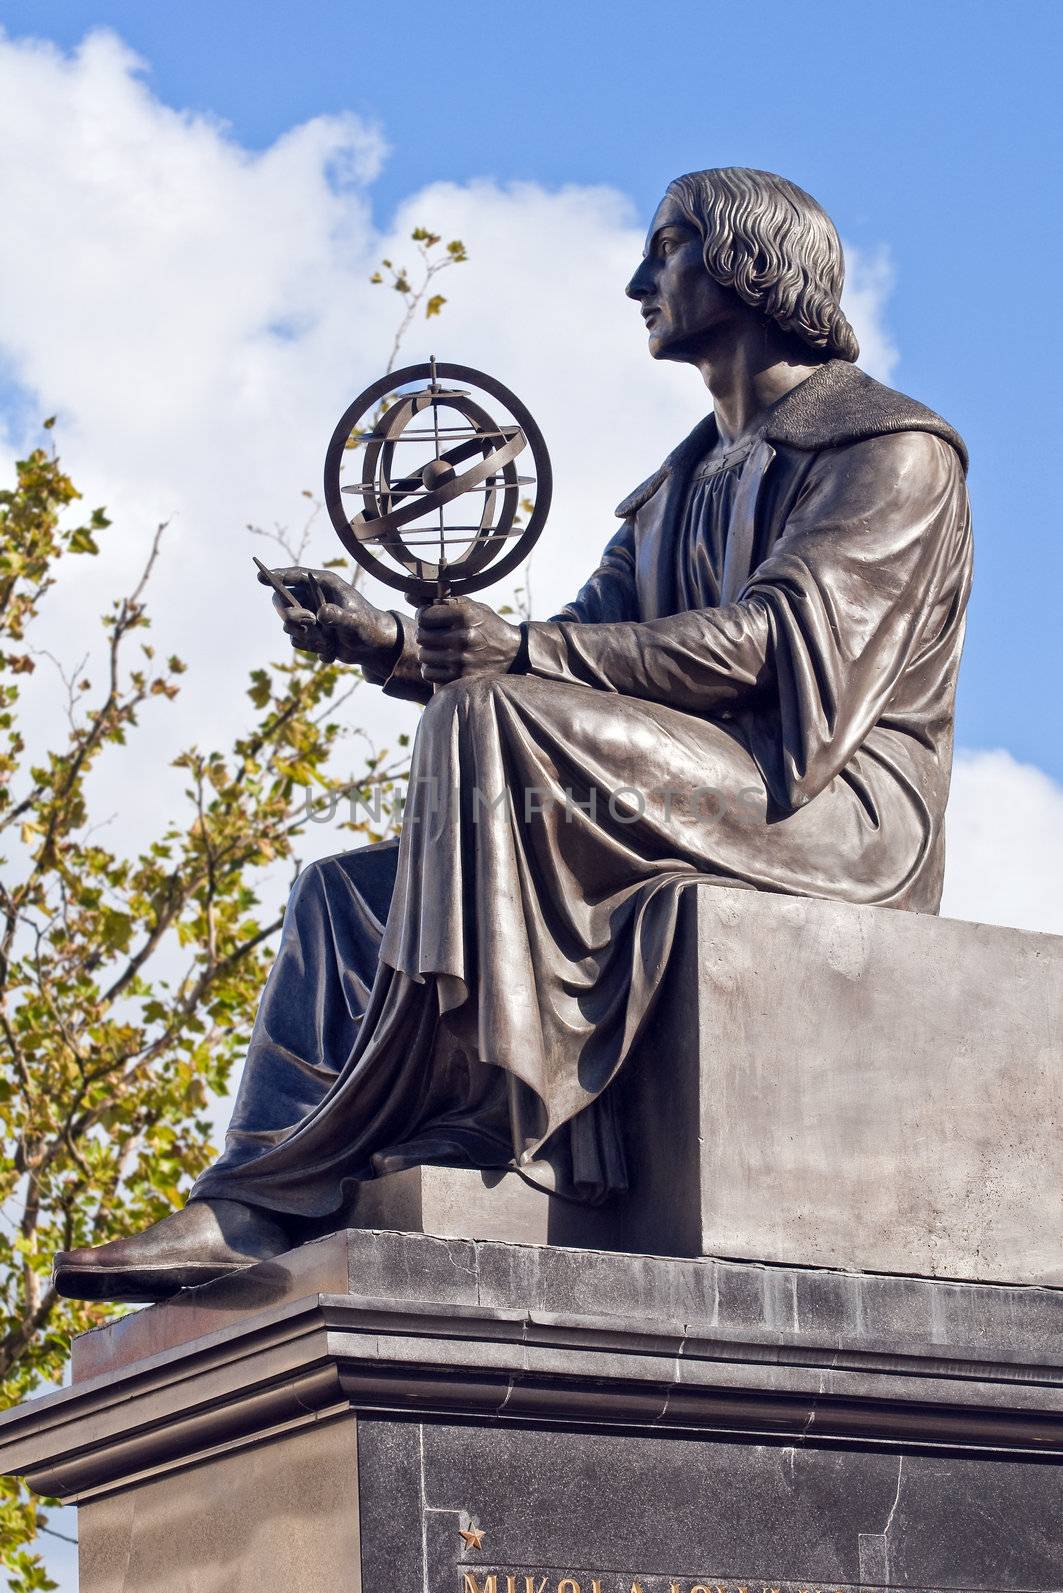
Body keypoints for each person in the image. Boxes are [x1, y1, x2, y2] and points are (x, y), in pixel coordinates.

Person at [54, 167, 971, 1300]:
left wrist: (514, 656)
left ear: (747, 263)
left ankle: (495, 1126)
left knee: (497, 706)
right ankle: (251, 1200)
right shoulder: (671, 492)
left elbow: (773, 644)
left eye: (668, 247)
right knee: (345, 899)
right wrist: (389, 642)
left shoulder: (889, 449)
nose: (640, 280)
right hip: (693, 792)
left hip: (826, 808)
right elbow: (580, 635)